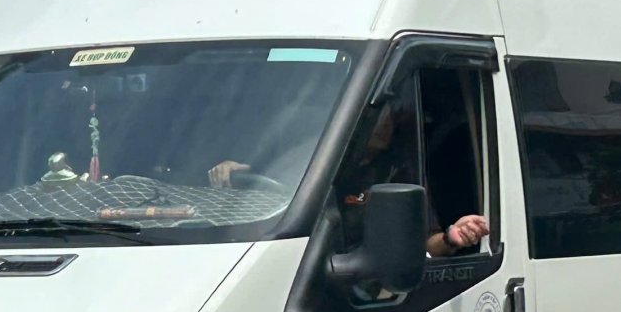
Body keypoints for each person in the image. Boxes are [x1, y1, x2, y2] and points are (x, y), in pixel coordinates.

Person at [208, 101, 489, 256]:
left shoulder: (400, 174)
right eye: (376, 115)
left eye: (390, 115)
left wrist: (452, 237)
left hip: (356, 283)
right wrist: (229, 174)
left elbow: (426, 243)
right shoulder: (310, 157)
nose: (385, 122)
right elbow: (271, 197)